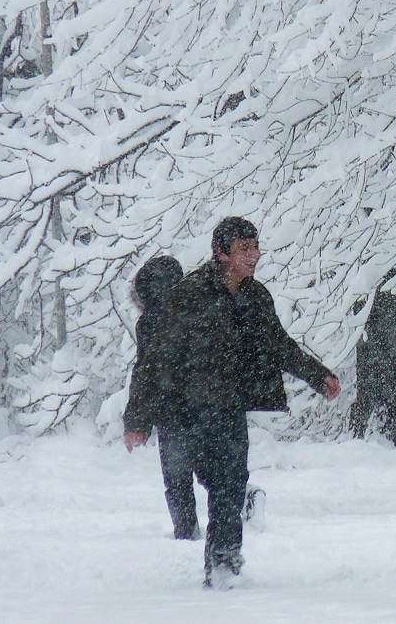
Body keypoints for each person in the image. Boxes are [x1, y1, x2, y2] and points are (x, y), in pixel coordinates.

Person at [123, 217, 341, 589]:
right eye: (245, 248)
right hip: (186, 408)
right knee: (195, 478)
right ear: (221, 253)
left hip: (227, 408)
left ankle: (223, 566)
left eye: (256, 247)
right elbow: (156, 358)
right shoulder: (189, 296)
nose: (255, 255)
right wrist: (138, 419)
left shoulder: (256, 297)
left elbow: (278, 344)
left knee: (230, 482)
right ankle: (192, 535)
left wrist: (318, 376)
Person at [125, 255, 197, 539]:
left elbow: (145, 373)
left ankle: (186, 531)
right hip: (209, 406)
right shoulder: (199, 309)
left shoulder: (149, 322)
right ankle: (241, 507)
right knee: (219, 474)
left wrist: (137, 421)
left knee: (177, 476)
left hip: (171, 411)